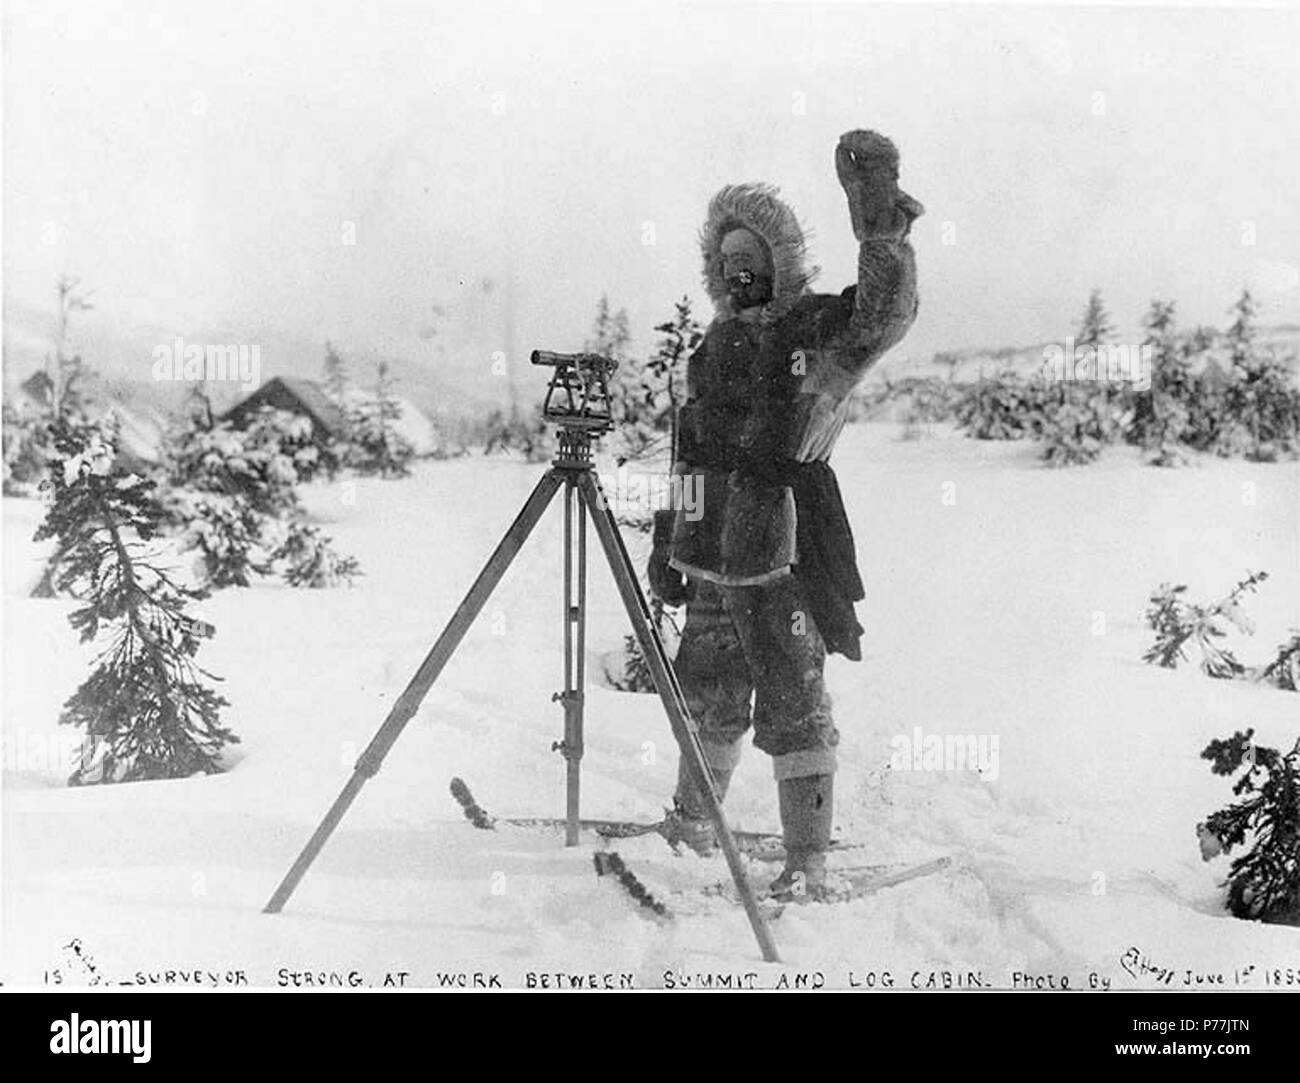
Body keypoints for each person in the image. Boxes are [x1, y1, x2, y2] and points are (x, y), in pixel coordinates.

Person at [647, 129, 922, 899]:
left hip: (785, 543)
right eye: (728, 262)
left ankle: (807, 857)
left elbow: (885, 315)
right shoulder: (712, 347)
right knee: (707, 692)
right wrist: (670, 545)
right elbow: (689, 453)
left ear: (780, 264)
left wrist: (880, 231)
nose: (740, 273)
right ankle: (693, 821)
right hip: (709, 549)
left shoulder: (817, 331)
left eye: (754, 260)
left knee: (795, 698)